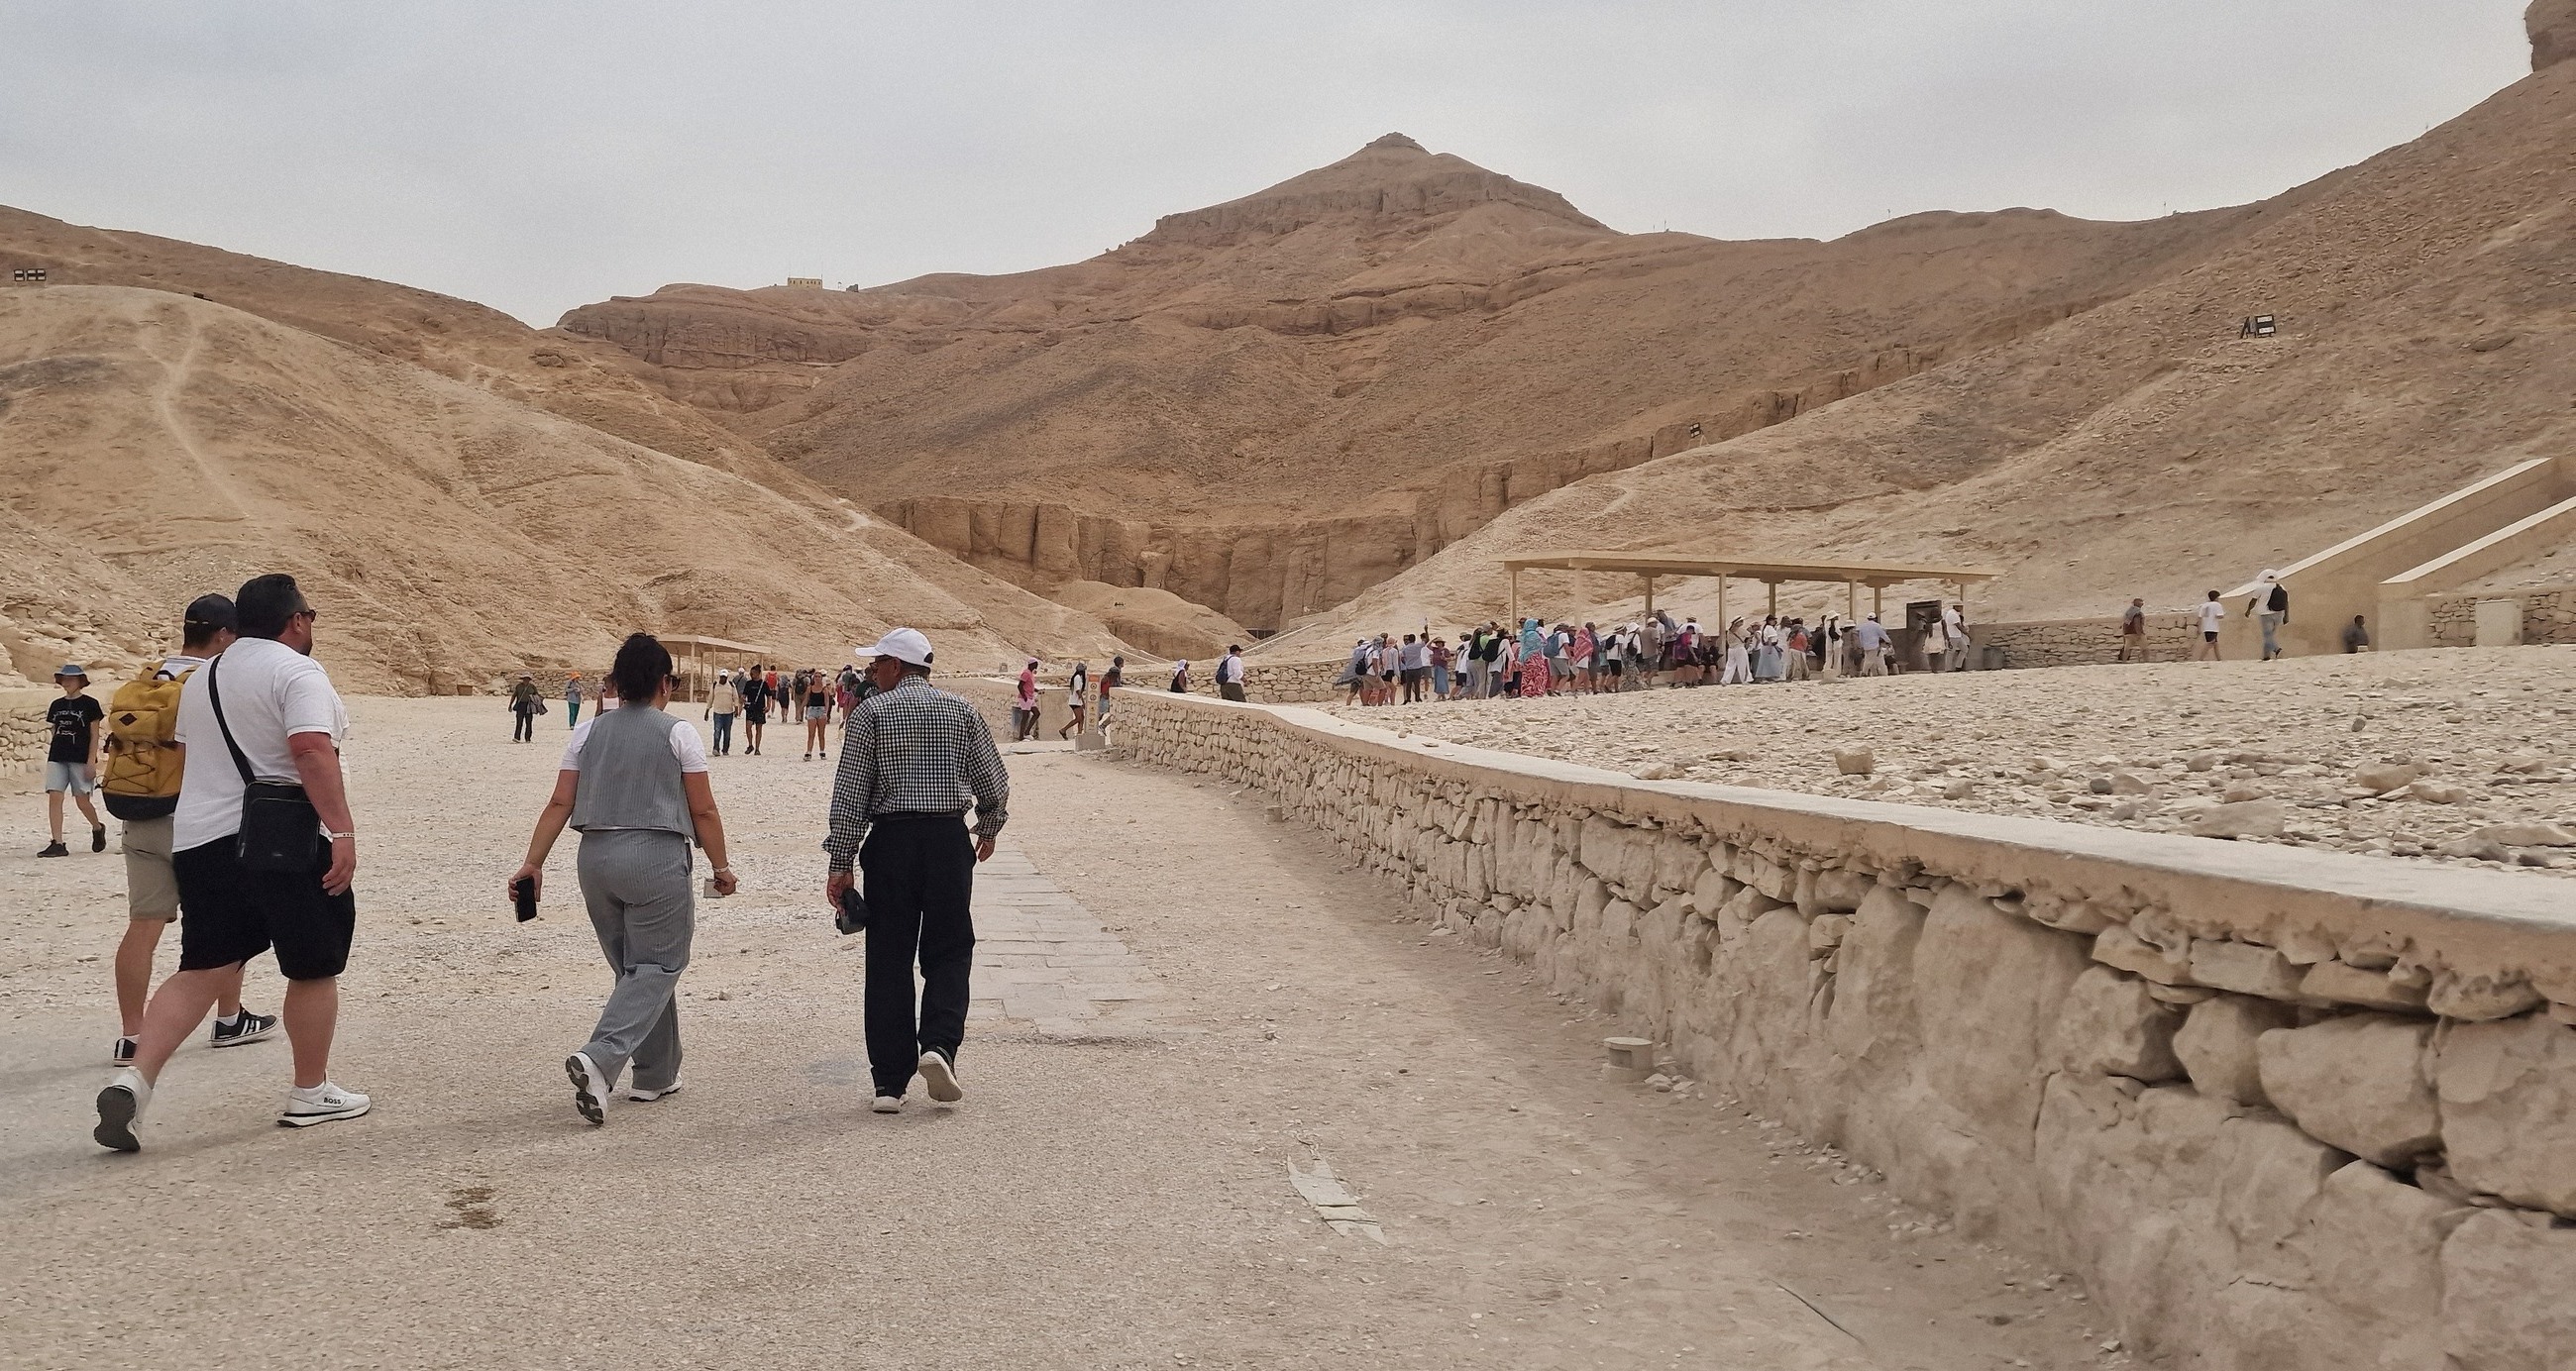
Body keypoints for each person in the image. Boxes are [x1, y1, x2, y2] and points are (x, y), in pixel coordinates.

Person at [94, 574, 368, 1151]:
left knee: (204, 965)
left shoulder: (203, 678)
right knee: (312, 964)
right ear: (296, 621)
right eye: (310, 616)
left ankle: (134, 1078)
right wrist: (341, 831)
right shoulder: (297, 671)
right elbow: (312, 751)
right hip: (282, 839)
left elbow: (193, 757)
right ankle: (309, 1091)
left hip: (200, 840)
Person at [512, 634, 735, 1125]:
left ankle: (655, 1074)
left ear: (616, 683)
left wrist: (533, 862)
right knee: (660, 964)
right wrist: (721, 867)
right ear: (664, 683)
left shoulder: (586, 733)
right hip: (654, 855)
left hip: (594, 858)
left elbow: (559, 803)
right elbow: (703, 807)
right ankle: (602, 1057)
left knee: (636, 971)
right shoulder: (679, 732)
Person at [823, 628, 1009, 1113]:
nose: (871, 672)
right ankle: (939, 1047)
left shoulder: (870, 714)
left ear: (897, 666)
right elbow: (993, 777)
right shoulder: (961, 711)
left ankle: (889, 1081)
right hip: (948, 839)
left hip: (891, 842)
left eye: (876, 663)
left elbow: (850, 796)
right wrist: (987, 825)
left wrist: (841, 864)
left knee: (888, 956)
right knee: (949, 948)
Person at [103, 595, 273, 1067]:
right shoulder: (212, 683)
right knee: (229, 921)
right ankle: (229, 1017)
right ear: (224, 635)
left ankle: (131, 1035)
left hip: (139, 814)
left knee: (143, 926)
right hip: (195, 819)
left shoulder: (146, 680)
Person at [40, 664, 106, 858]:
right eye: (64, 678)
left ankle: (97, 827)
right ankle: (57, 842)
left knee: (82, 800)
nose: (67, 682)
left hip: (80, 757)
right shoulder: (56, 705)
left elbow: (94, 735)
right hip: (58, 756)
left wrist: (92, 761)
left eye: (71, 678)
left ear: (80, 681)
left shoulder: (90, 704)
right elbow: (54, 731)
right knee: (55, 796)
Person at [2249, 572, 2290, 661]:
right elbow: (2286, 602)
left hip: (2265, 615)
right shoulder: (2281, 587)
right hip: (2278, 613)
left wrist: (2248, 610)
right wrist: (2286, 616)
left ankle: (2277, 649)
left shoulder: (2261, 587)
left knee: (2267, 635)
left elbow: (2253, 601)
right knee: (2269, 636)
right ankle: (2266, 656)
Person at [803, 667, 834, 761]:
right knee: (811, 733)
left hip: (821, 710)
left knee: (821, 733)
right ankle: (809, 752)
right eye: (815, 676)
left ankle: (822, 751)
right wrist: (800, 710)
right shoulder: (810, 688)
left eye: (819, 676)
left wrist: (826, 712)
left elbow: (827, 701)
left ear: (821, 678)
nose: (817, 678)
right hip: (812, 710)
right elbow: (806, 700)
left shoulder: (824, 689)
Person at [705, 671, 740, 756]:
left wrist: (736, 709)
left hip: (729, 713)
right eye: (721, 677)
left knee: (727, 733)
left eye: (724, 677)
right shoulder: (715, 685)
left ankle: (725, 749)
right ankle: (716, 748)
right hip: (718, 712)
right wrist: (707, 710)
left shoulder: (731, 686)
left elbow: (735, 697)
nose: (723, 678)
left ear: (727, 677)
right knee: (717, 731)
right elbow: (710, 698)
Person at [738, 665, 769, 755]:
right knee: (748, 727)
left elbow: (769, 696)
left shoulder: (763, 684)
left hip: (760, 708)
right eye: (751, 673)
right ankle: (750, 745)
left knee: (759, 729)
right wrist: (742, 699)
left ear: (758, 673)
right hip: (750, 708)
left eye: (754, 673)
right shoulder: (748, 683)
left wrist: (768, 706)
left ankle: (757, 748)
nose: (752, 675)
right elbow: (744, 694)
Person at [1058, 661, 1089, 740]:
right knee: (1078, 718)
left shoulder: (1078, 678)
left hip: (1076, 701)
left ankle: (1079, 734)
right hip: (1075, 701)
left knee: (1081, 718)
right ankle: (1063, 729)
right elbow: (1078, 691)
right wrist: (1083, 702)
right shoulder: (1077, 678)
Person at [510, 674, 544, 743]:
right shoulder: (519, 686)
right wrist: (510, 705)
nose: (526, 680)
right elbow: (514, 696)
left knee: (529, 722)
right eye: (524, 679)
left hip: (529, 706)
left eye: (527, 679)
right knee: (519, 722)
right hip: (520, 705)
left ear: (529, 680)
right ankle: (517, 737)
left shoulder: (532, 687)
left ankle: (528, 738)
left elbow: (536, 696)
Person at [1014, 659, 1041, 739]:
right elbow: (1020, 686)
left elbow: (1028, 685)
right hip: (1025, 698)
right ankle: (1021, 736)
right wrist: (1024, 697)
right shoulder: (1026, 673)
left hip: (1030, 697)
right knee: (1025, 716)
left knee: (1037, 713)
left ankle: (1027, 731)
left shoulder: (1030, 674)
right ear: (1032, 664)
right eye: (1036, 664)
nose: (1036, 666)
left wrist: (1035, 690)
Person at [2195, 590, 2225, 661]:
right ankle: (2200, 658)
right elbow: (2220, 616)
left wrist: (2199, 627)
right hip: (2213, 627)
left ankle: (2219, 659)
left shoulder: (2204, 605)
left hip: (2206, 626)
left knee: (2216, 643)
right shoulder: (2217, 605)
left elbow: (2200, 617)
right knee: (2211, 642)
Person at [1097, 656, 1124, 736]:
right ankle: (1101, 726)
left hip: (1104, 698)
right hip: (1106, 699)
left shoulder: (1108, 676)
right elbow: (1116, 685)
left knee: (1101, 715)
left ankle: (1095, 728)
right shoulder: (1115, 674)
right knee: (1112, 714)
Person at [2118, 598, 2148, 663]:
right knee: (2144, 648)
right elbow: (2136, 623)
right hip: (2136, 633)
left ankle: (2124, 662)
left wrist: (2124, 634)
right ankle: (2146, 661)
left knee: (2127, 649)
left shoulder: (2128, 613)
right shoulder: (2137, 613)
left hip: (2128, 633)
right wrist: (2139, 634)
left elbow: (2125, 624)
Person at [1943, 602, 1970, 671]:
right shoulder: (1953, 614)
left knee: (1964, 649)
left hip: (1957, 635)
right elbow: (1958, 626)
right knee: (1951, 652)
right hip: (1952, 635)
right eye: (1959, 607)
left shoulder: (1954, 613)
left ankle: (1958, 666)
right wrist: (1966, 633)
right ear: (1955, 606)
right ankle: (1948, 669)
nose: (1961, 609)